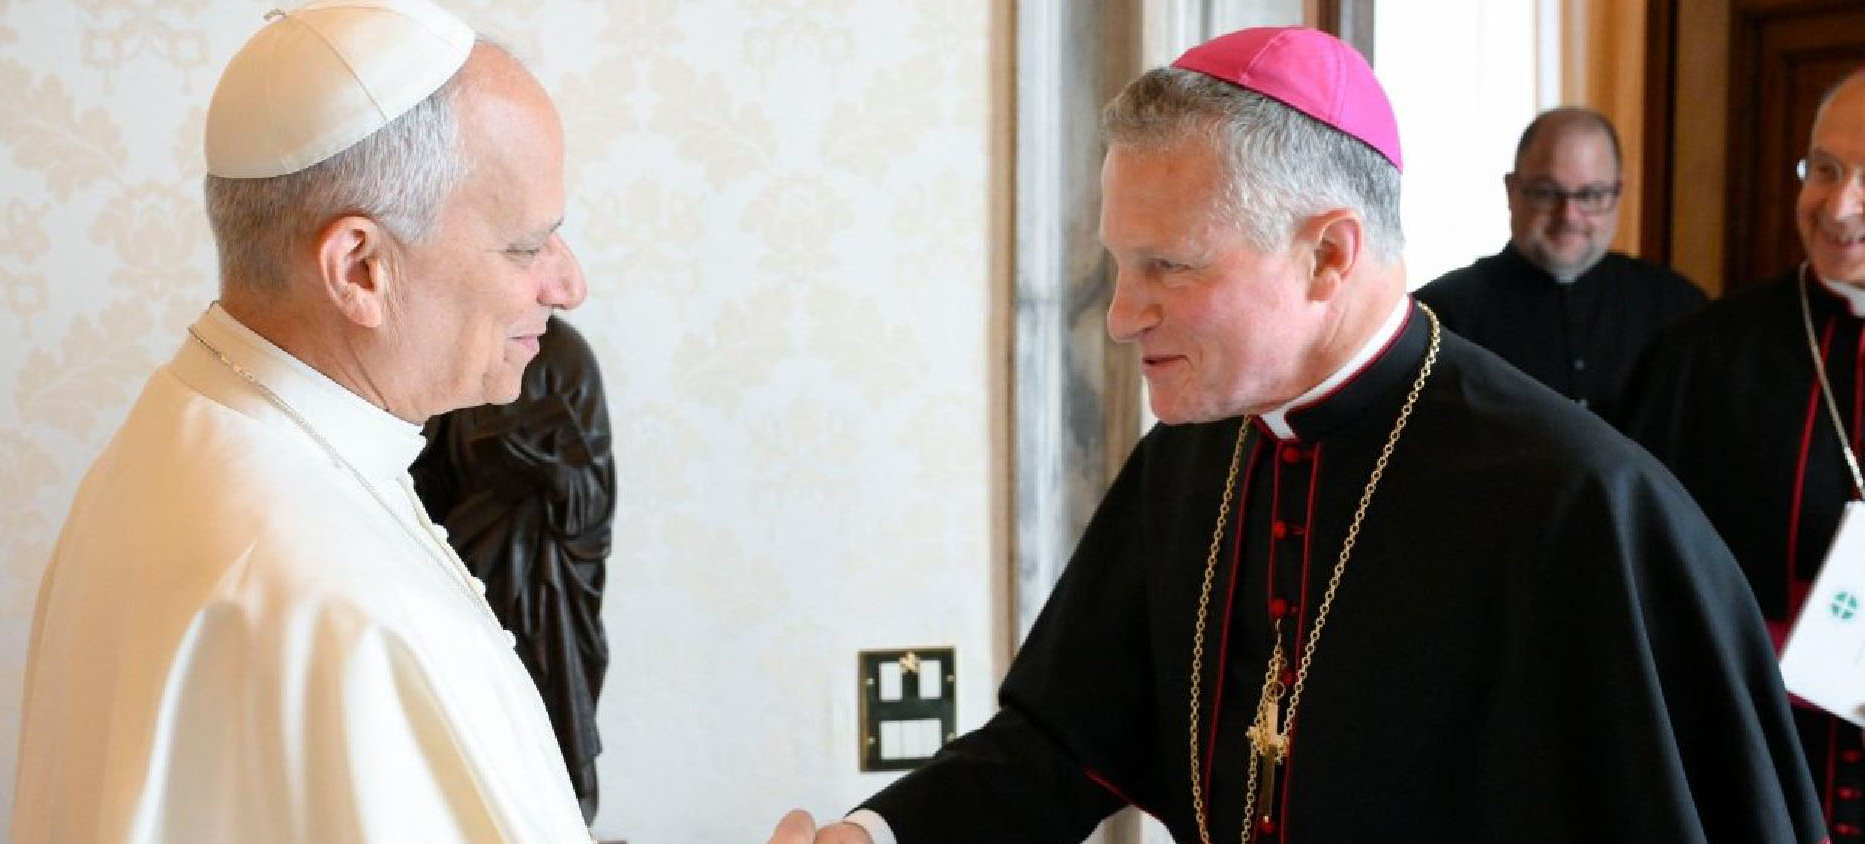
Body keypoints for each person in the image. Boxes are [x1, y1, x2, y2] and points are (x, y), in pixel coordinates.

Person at [769, 27, 1821, 844]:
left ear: (1329, 255)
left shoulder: (1581, 508)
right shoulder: (1194, 457)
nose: (1121, 314)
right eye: (1118, 262)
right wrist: (881, 830)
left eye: (1169, 267)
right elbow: (1063, 744)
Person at [10, 0, 594, 839]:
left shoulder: (183, 431)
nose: (568, 285)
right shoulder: (347, 605)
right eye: (526, 245)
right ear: (360, 267)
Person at [1622, 68, 1865, 841]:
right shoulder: (1701, 357)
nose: (1838, 206)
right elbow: (1633, 575)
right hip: (1755, 767)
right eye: (1823, 170)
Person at [412, 317, 616, 824]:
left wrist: (539, 465)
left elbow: (592, 502)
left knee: (549, 721)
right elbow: (421, 477)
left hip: (550, 590)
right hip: (463, 571)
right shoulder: (449, 350)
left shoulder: (567, 358)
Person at [1414, 107, 1703, 421]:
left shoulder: (1677, 306)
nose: (1569, 215)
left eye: (1591, 195)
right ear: (1512, 192)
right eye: (1547, 193)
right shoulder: (1437, 316)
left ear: (1617, 194)